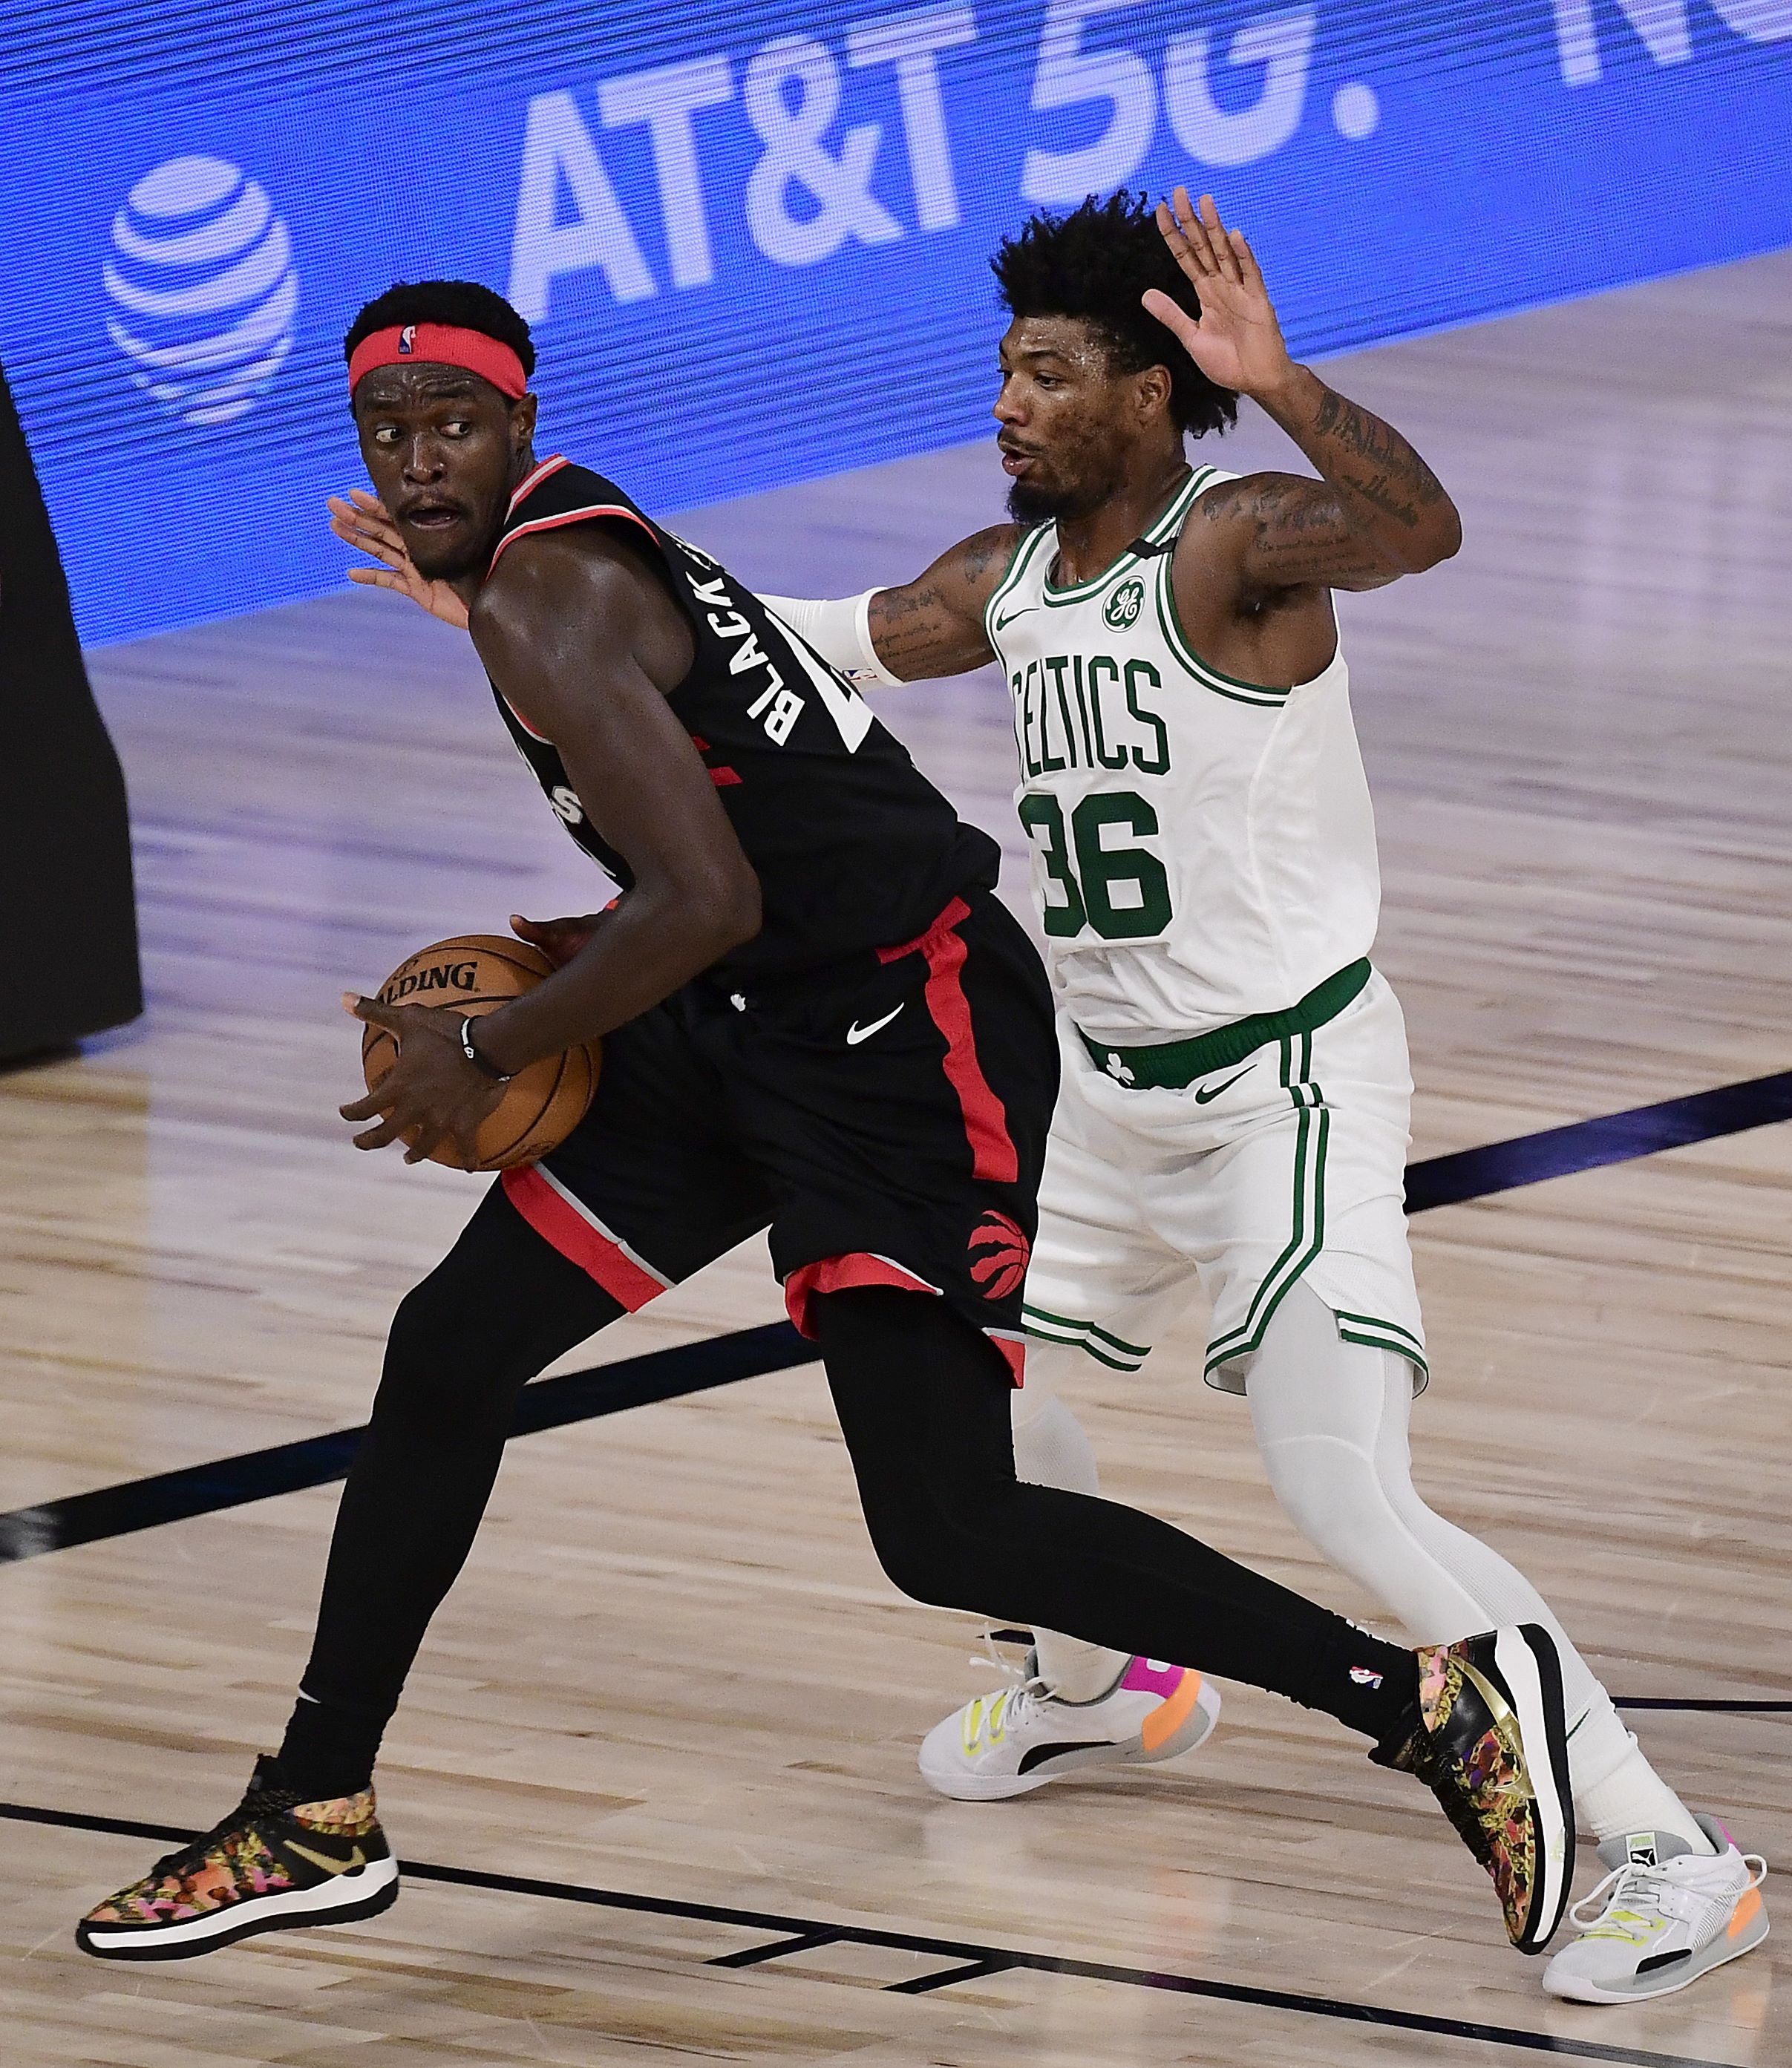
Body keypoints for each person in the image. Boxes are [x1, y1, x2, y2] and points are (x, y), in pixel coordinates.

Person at [73, 279, 1577, 1968]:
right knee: (449, 1346)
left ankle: (1422, 1703)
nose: (419, 459)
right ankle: (316, 1804)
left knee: (942, 1529)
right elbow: (726, 817)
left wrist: (488, 1037)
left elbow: (702, 891)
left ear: (522, 424)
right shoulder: (547, 562)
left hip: (897, 1031)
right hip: (743, 1015)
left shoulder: (545, 595)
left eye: (453, 426)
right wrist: (579, 924)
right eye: (385, 431)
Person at [757, 189, 1767, 2006]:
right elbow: (824, 638)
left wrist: (1283, 380)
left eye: (1051, 374)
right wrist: (550, 595)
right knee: (989, 1403)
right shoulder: (1006, 577)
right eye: (1004, 369)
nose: (1010, 402)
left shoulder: (1232, 547)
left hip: (1282, 1082)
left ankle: (1674, 1853)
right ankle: (1096, 1686)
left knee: (1342, 1492)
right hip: (1103, 1102)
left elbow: (1421, 526)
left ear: (1149, 393)